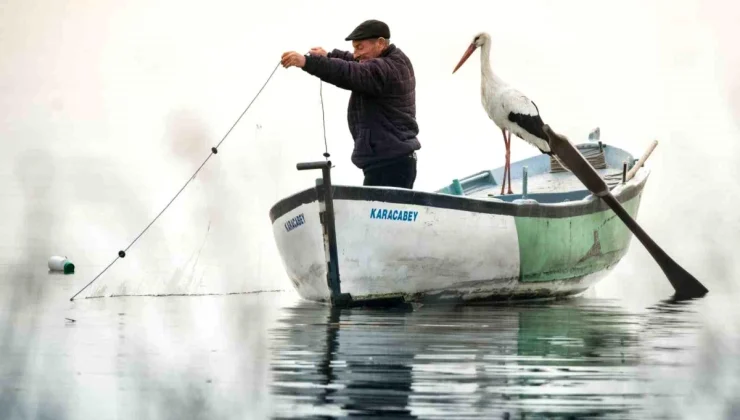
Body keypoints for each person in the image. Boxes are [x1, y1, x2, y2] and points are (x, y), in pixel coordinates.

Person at [281, 19, 421, 189]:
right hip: (390, 160)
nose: (355, 53)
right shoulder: (392, 59)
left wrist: (307, 62)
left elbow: (349, 71)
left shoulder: (385, 69)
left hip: (391, 165)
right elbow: (355, 62)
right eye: (354, 48)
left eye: (359, 47)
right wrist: (329, 56)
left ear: (381, 43)